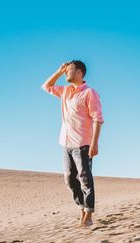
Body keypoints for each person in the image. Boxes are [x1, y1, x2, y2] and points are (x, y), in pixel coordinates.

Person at [41, 60, 104, 228]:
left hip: (83, 144)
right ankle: (82, 207)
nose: (66, 73)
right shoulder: (66, 92)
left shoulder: (90, 93)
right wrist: (59, 71)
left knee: (85, 180)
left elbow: (98, 119)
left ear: (79, 73)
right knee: (69, 179)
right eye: (66, 71)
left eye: (69, 70)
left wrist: (94, 143)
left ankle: (88, 214)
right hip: (66, 144)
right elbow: (46, 86)